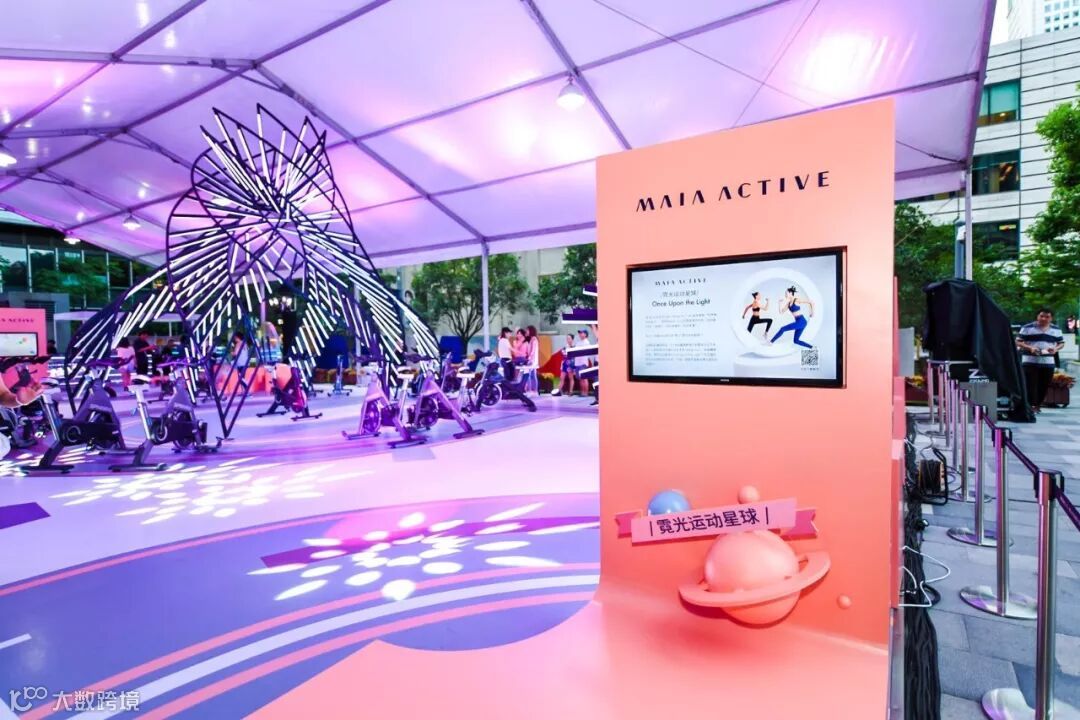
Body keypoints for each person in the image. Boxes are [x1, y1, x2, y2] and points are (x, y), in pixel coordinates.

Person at [1017, 307, 1065, 413]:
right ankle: (1030, 405)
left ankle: (1038, 405)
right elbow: (1018, 341)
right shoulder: (1027, 328)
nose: (1044, 319)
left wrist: (1055, 349)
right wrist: (1030, 348)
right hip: (1029, 360)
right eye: (1041, 316)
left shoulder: (1056, 329)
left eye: (1047, 317)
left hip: (1048, 361)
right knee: (1030, 384)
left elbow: (1061, 343)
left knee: (1044, 384)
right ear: (1037, 316)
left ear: (1051, 318)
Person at [575, 328, 592, 396]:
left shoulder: (587, 342)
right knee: (580, 378)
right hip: (577, 363)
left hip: (583, 363)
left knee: (584, 378)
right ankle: (582, 392)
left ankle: (586, 393)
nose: (580, 334)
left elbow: (587, 352)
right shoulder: (578, 343)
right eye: (579, 333)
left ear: (585, 334)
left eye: (581, 333)